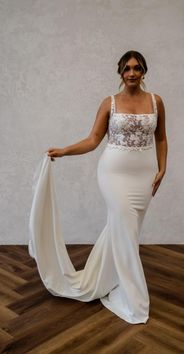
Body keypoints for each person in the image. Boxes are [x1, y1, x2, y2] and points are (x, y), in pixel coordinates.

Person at [31, 50, 168, 325]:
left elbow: (162, 139)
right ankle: (135, 301)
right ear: (120, 73)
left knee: (124, 231)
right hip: (113, 174)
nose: (131, 73)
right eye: (127, 68)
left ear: (144, 72)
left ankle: (107, 278)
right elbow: (93, 140)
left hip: (144, 176)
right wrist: (65, 150)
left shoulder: (157, 101)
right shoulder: (110, 103)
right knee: (126, 233)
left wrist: (163, 168)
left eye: (137, 68)